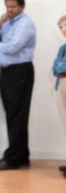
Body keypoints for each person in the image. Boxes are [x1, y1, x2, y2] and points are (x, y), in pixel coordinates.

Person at [0, 0, 36, 170]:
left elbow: (14, 46)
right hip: (7, 74)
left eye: (13, 6)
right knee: (13, 115)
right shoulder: (7, 22)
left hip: (20, 72)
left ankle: (13, 158)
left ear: (21, 7)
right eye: (7, 6)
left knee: (17, 115)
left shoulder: (25, 23)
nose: (10, 10)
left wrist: (1, 45)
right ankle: (22, 155)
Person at [53, 15, 66, 178]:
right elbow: (56, 68)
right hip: (63, 84)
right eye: (61, 27)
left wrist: (60, 64)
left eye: (65, 26)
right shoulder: (63, 47)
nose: (63, 29)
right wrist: (60, 65)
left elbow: (60, 64)